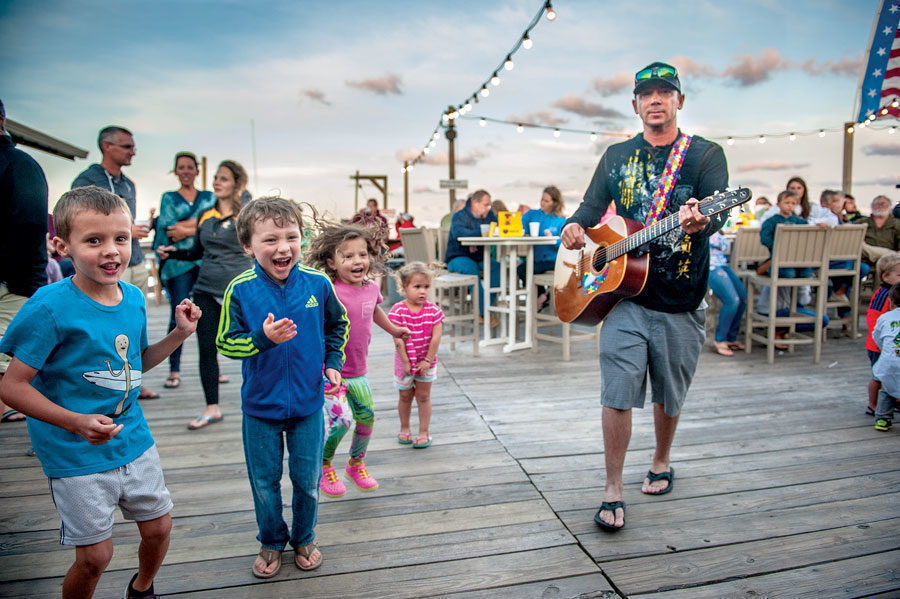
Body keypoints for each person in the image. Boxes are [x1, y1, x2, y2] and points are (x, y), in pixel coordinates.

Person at [0, 186, 201, 599]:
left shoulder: (132, 298)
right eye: (94, 241)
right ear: (61, 245)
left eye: (121, 238)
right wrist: (75, 421)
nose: (111, 251)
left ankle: (141, 588)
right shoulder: (48, 307)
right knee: (95, 557)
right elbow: (11, 387)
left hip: (133, 438)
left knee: (160, 527)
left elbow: (136, 365)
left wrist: (179, 335)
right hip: (72, 451)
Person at [561, 61, 728, 531]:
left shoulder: (705, 155)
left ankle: (661, 458)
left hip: (680, 294)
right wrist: (574, 226)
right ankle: (612, 487)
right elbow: (591, 209)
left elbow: (717, 213)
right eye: (647, 93)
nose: (656, 99)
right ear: (635, 104)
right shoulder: (616, 156)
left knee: (668, 392)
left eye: (664, 92)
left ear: (679, 101)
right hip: (622, 297)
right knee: (616, 391)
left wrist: (704, 218)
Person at [215, 196, 348, 578]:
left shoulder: (318, 284)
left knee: (307, 481)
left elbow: (336, 327)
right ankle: (271, 540)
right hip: (260, 407)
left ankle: (305, 537)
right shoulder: (239, 289)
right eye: (270, 239)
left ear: (302, 240)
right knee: (264, 481)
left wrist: (333, 363)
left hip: (308, 405)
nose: (283, 247)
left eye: (291, 237)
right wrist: (262, 339)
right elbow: (226, 341)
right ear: (248, 246)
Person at [303, 224, 410, 498]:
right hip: (331, 372)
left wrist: (395, 330)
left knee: (366, 419)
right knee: (341, 421)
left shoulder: (371, 288)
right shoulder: (329, 290)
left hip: (359, 371)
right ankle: (325, 465)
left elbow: (375, 312)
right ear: (332, 262)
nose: (357, 261)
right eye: (347, 256)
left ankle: (356, 463)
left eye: (361, 254)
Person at [156, 160, 252, 430]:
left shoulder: (247, 215)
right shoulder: (206, 216)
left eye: (224, 178)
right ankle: (212, 408)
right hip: (206, 289)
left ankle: (259, 402)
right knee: (207, 350)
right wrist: (173, 252)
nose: (217, 182)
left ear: (236, 183)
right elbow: (198, 251)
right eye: (216, 178)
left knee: (253, 348)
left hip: (240, 291)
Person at [71, 126, 159, 400]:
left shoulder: (128, 184)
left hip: (133, 261)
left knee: (134, 323)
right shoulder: (86, 180)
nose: (133, 151)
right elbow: (80, 222)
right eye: (127, 146)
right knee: (105, 326)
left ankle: (134, 379)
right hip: (105, 269)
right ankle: (103, 382)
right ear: (107, 147)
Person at [0, 98, 49, 424]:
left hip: (12, 281)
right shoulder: (20, 164)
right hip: (18, 279)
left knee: (8, 360)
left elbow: (32, 226)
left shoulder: (18, 165)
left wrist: (29, 282)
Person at [152, 152, 216, 389]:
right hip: (178, 265)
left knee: (208, 316)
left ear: (197, 171)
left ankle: (212, 369)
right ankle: (174, 369)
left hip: (203, 263)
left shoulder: (209, 196)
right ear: (176, 171)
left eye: (190, 167)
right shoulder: (169, 197)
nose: (186, 171)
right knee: (177, 314)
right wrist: (197, 227)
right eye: (181, 167)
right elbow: (168, 227)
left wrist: (187, 229)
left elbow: (211, 224)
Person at [388, 262, 444, 448]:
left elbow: (436, 338)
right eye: (417, 286)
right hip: (404, 361)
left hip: (426, 361)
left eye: (426, 287)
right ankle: (405, 428)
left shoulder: (434, 311)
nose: (422, 291)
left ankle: (423, 431)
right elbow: (398, 339)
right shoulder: (398, 310)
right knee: (405, 396)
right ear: (404, 288)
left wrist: (427, 360)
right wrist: (405, 362)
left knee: (423, 396)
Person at [446, 190, 499, 319]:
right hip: (457, 257)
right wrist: (481, 232)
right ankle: (483, 313)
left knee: (497, 266)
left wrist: (474, 235)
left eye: (489, 205)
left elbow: (496, 226)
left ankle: (487, 306)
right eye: (486, 205)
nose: (488, 208)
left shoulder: (489, 214)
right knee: (471, 269)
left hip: (479, 257)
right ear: (475, 203)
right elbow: (460, 233)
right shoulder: (459, 216)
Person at [519, 185, 567, 310]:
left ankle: (542, 297)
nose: (542, 203)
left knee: (525, 269)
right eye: (542, 199)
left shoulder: (561, 221)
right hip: (535, 259)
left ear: (555, 203)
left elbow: (564, 245)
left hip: (553, 261)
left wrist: (554, 239)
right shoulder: (532, 215)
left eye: (546, 200)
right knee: (523, 269)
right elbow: (519, 227)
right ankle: (542, 296)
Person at [864, 253, 900, 416]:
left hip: (891, 343)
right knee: (878, 376)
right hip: (879, 345)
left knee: (893, 373)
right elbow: (873, 318)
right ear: (885, 276)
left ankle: (893, 401)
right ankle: (873, 405)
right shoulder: (884, 295)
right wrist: (880, 341)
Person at [708, 230, 746, 356]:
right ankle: (720, 339)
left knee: (743, 299)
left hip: (723, 264)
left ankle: (731, 338)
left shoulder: (718, 225)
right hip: (710, 266)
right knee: (732, 301)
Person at [760, 190, 812, 278]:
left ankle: (802, 292)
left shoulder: (801, 222)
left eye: (793, 203)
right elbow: (765, 239)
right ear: (778, 204)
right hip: (779, 259)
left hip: (798, 259)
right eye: (787, 202)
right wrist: (777, 248)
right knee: (789, 273)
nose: (790, 205)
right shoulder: (771, 222)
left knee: (806, 273)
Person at [871, 282, 900, 432]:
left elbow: (877, 336)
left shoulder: (885, 317)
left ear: (891, 301)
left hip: (889, 362)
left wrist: (886, 350)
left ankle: (882, 418)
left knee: (888, 389)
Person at [858, 195, 900, 264]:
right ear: (871, 206)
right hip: (864, 258)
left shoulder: (897, 224)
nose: (880, 206)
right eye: (876, 204)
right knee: (861, 246)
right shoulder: (861, 222)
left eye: (883, 204)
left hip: (891, 259)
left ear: (889, 206)